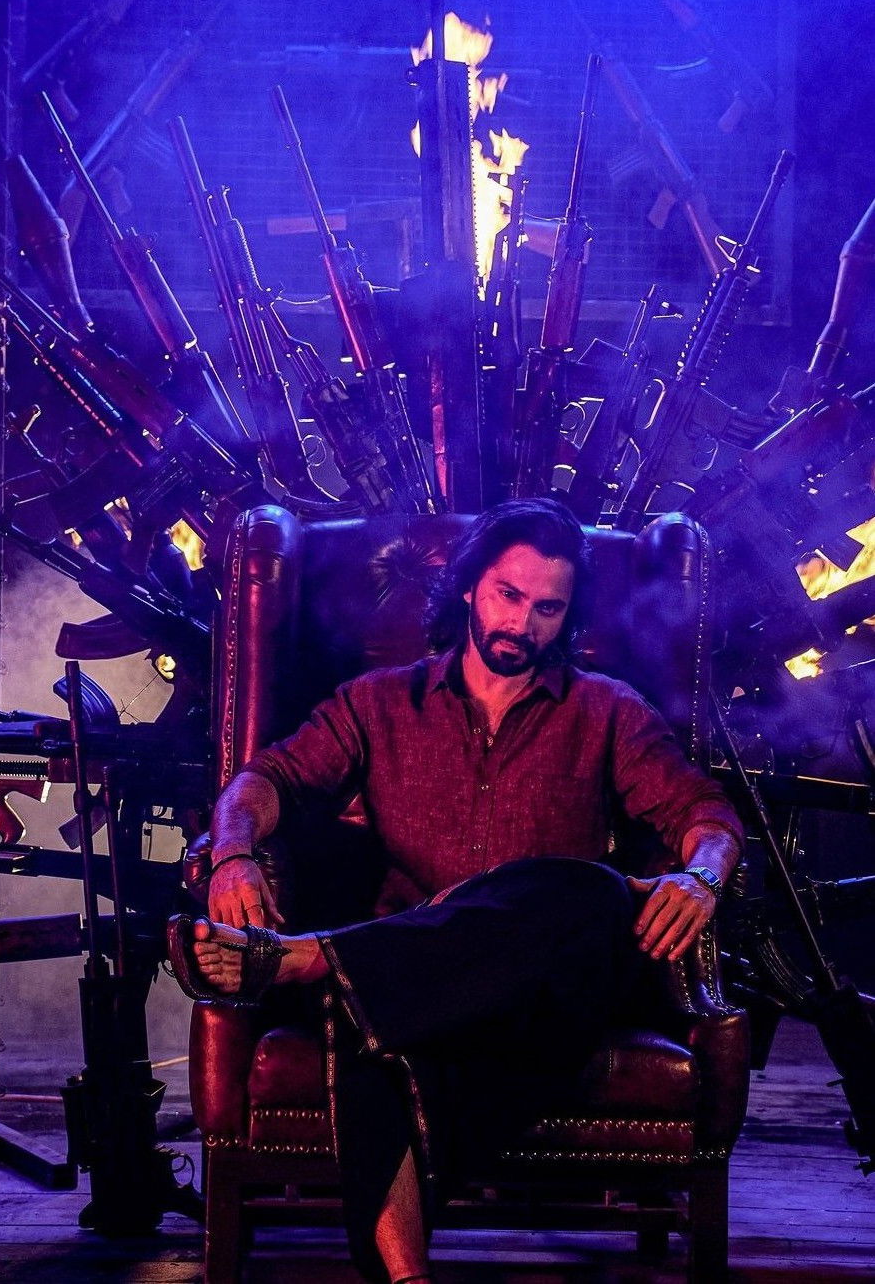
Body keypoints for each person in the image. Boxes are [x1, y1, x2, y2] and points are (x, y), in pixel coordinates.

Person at [169, 498, 743, 1284]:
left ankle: (316, 959)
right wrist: (234, 853)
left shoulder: (607, 710)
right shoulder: (378, 702)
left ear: (567, 615)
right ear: (471, 586)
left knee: (584, 891)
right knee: (371, 1030)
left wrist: (702, 875)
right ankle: (411, 1280)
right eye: (508, 595)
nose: (523, 624)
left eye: (548, 609)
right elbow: (266, 779)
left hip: (548, 992)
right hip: (417, 988)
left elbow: (707, 815)